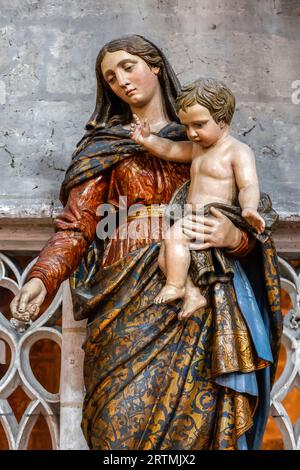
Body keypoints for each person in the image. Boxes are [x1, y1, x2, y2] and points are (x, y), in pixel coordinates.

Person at [10, 35, 282, 450]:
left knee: (192, 430)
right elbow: (79, 227)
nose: (121, 80)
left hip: (198, 293)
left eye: (128, 66)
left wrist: (235, 237)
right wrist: (41, 279)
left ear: (155, 66)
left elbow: (249, 216)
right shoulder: (104, 147)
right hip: (124, 289)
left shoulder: (204, 138)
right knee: (114, 426)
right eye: (110, 76)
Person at [129, 78, 266, 319]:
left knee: (174, 238)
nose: (191, 133)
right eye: (187, 126)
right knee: (166, 255)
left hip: (212, 217)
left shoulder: (237, 151)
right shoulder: (197, 148)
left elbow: (248, 185)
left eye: (199, 125)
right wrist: (146, 140)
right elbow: (170, 150)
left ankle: (176, 286)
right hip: (191, 216)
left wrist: (249, 209)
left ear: (222, 121)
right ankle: (192, 295)